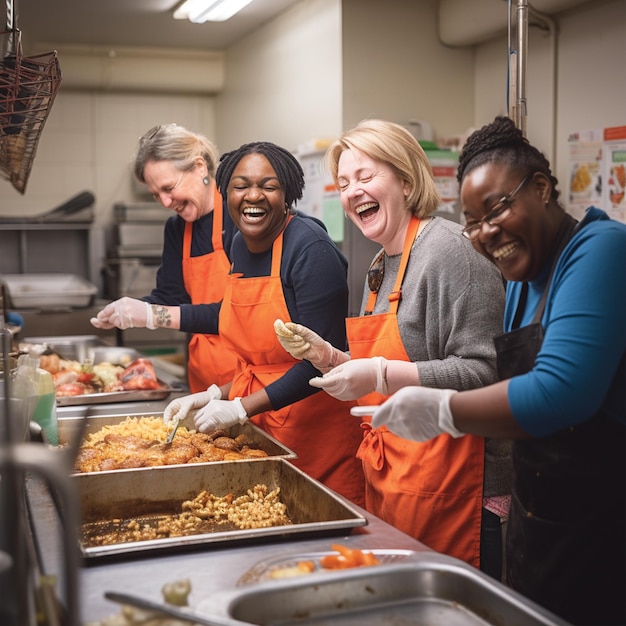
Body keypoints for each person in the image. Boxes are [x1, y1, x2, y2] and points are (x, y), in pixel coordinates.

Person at [369, 115, 626, 626]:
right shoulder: (521, 281)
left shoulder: (602, 250)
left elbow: (561, 393)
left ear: (542, 188)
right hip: (541, 525)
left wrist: (442, 410)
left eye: (498, 208)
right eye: (473, 221)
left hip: (605, 530)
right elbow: (508, 389)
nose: (487, 232)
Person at [274, 119, 510, 576]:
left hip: (458, 489)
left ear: (405, 179)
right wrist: (330, 358)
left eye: (365, 176)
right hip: (399, 479)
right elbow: (390, 368)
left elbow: (485, 372)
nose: (352, 191)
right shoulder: (382, 265)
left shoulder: (450, 252)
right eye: (343, 183)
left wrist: (380, 373)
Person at [161, 141, 365, 506]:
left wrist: (240, 408)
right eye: (241, 186)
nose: (253, 196)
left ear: (287, 194)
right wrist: (212, 394)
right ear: (226, 192)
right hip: (268, 429)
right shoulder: (240, 245)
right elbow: (262, 364)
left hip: (318, 439)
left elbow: (323, 365)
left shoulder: (310, 248)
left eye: (268, 186)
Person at [90, 123, 238, 393]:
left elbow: (237, 315)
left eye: (169, 188)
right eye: (157, 194)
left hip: (248, 380)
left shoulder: (239, 217)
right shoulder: (177, 228)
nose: (166, 203)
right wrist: (130, 309)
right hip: (203, 381)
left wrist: (150, 315)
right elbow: (171, 298)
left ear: (200, 167)